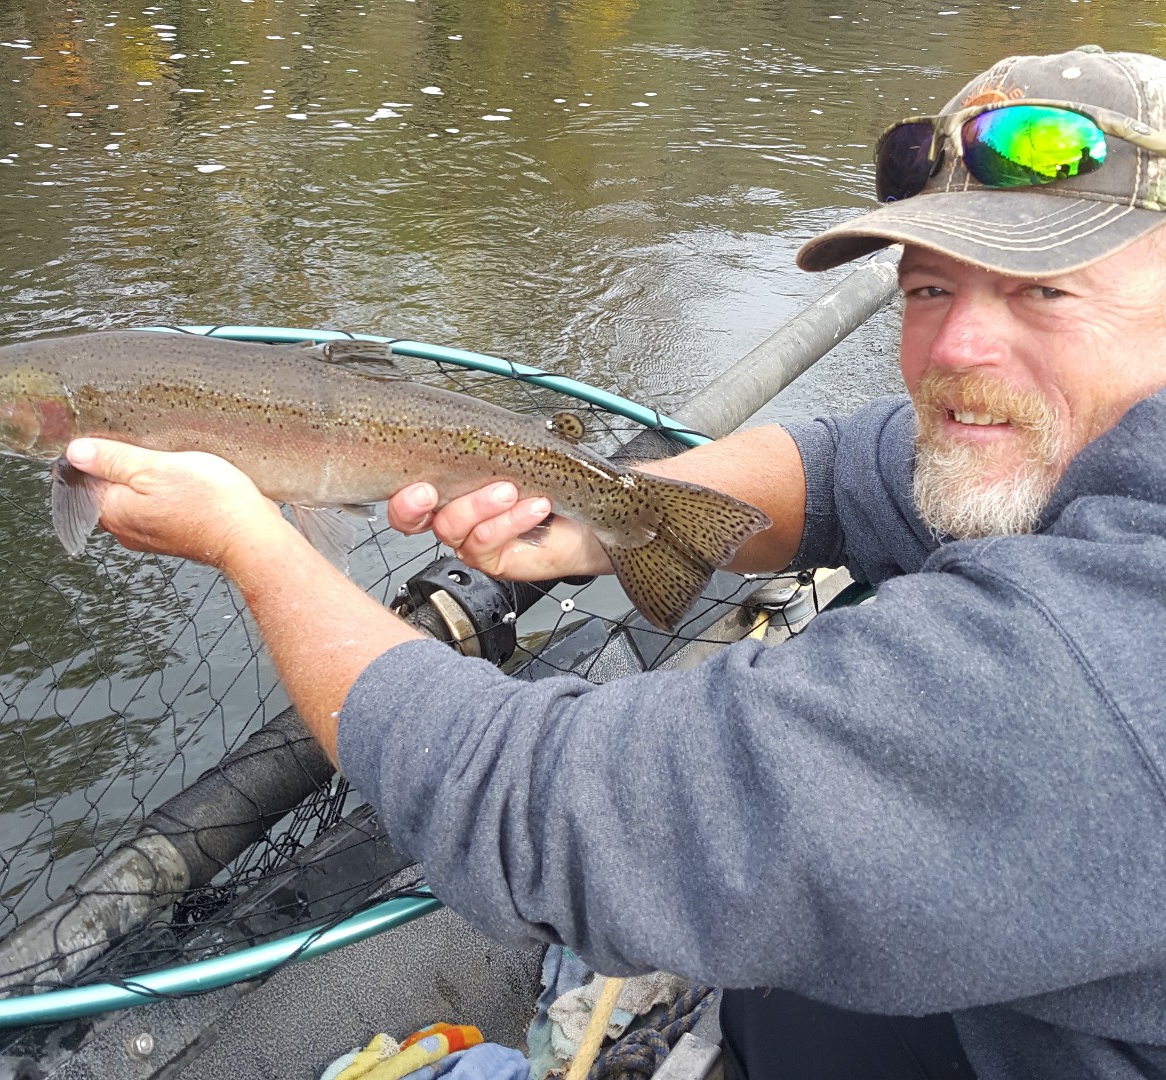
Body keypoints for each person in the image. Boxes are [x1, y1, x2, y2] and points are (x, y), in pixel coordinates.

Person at [61, 46, 1166, 1080]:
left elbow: (552, 814)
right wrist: (611, 517)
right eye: (927, 287)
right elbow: (853, 466)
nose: (955, 349)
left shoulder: (1103, 665)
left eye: (1041, 290)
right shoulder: (1099, 453)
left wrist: (249, 540)